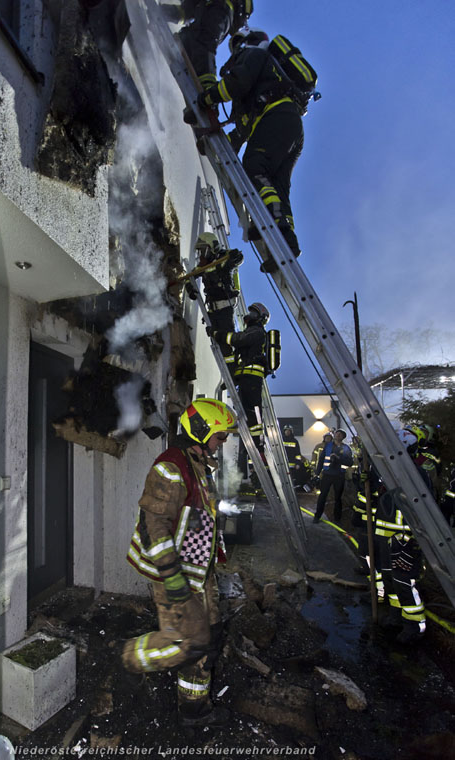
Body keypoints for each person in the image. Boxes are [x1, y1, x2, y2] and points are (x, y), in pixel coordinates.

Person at [120, 398, 237, 726]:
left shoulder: (197, 462)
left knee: (208, 640)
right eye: (220, 436)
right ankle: (122, 658)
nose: (222, 442)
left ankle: (194, 709)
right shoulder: (171, 466)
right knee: (188, 642)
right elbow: (152, 526)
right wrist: (172, 578)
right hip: (174, 573)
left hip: (198, 572)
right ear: (200, 431)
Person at [198, 28, 317, 257]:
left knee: (254, 165)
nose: (234, 55)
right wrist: (221, 144)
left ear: (246, 43)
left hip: (275, 117)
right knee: (278, 185)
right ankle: (286, 239)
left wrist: (208, 98)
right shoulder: (266, 77)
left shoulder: (254, 56)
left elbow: (237, 83)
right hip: (290, 127)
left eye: (236, 48)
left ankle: (271, 221)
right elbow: (243, 127)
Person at [373, 430, 427, 644]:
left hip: (404, 538)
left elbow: (423, 508)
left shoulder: (417, 474)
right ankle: (396, 614)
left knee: (404, 580)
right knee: (388, 577)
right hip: (385, 535)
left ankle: (414, 625)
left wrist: (414, 538)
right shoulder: (388, 471)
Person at [210, 302, 269, 475]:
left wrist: (217, 334)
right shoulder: (251, 331)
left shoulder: (257, 332)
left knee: (254, 412)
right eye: (250, 311)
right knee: (246, 413)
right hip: (244, 377)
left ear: (261, 318)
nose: (249, 314)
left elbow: (237, 340)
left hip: (252, 378)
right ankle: (251, 446)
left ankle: (259, 447)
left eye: (253, 312)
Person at [164, 1, 253, 92]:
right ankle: (206, 89)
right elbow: (185, 12)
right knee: (192, 38)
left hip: (221, 10)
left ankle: (208, 89)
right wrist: (163, 11)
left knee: (205, 42)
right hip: (208, 14)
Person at [188, 233, 243, 374]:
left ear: (213, 247)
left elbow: (238, 257)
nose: (201, 254)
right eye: (200, 251)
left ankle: (233, 373)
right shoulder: (204, 265)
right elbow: (191, 277)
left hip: (225, 308)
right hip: (212, 311)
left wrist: (235, 257)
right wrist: (190, 288)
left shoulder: (223, 258)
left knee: (226, 342)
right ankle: (227, 372)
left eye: (204, 250)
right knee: (218, 343)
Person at [313, 428, 353, 523]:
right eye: (337, 434)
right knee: (322, 496)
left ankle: (337, 518)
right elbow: (321, 460)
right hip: (327, 475)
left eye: (340, 434)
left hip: (339, 476)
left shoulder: (346, 448)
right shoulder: (328, 446)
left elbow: (350, 462)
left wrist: (339, 459)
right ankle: (317, 516)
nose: (338, 435)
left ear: (343, 437)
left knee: (338, 498)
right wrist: (317, 474)